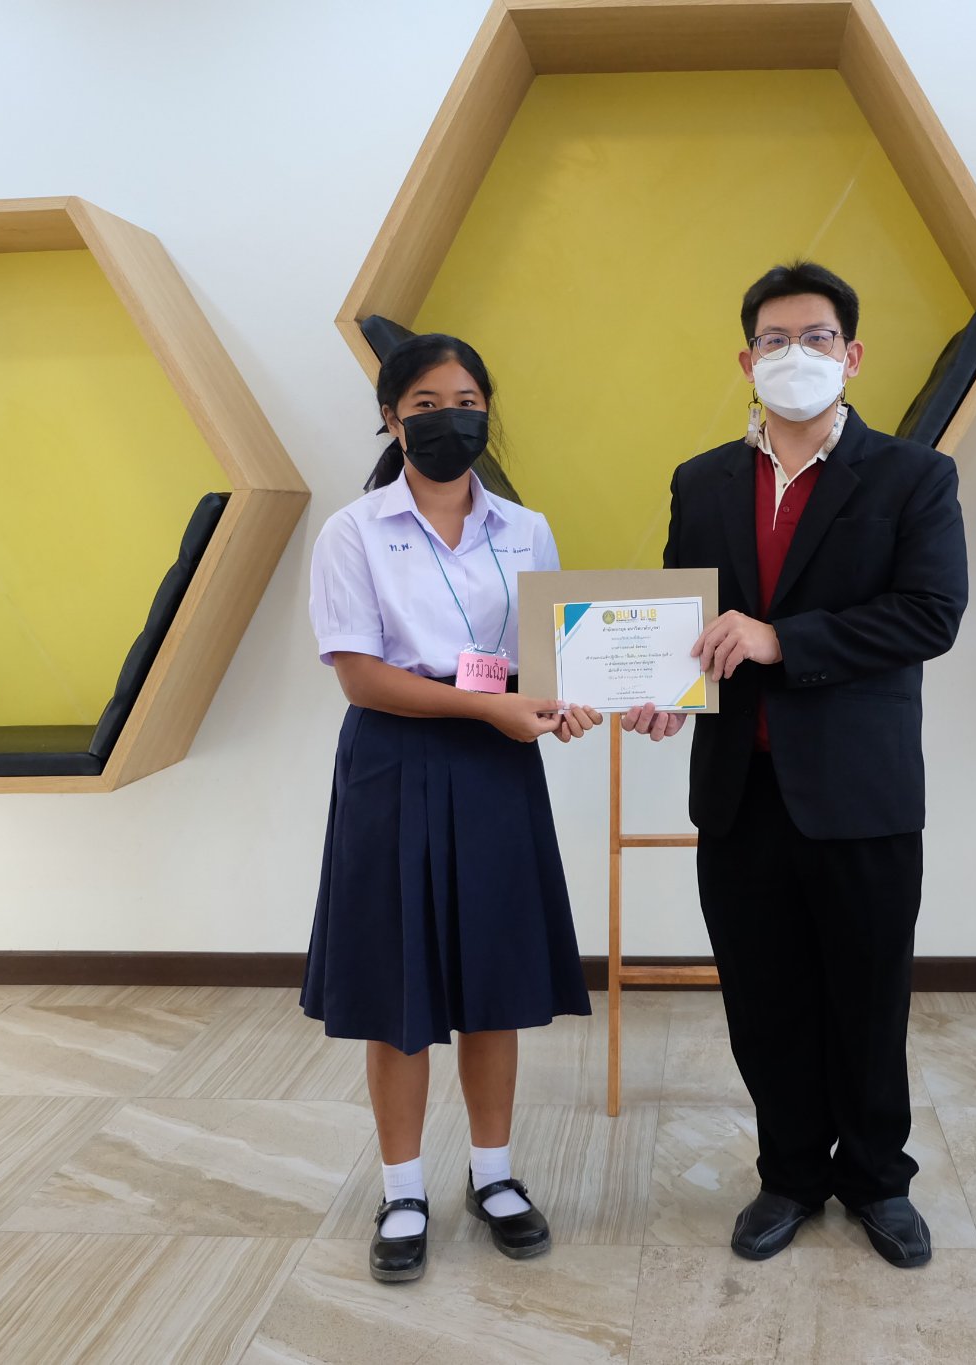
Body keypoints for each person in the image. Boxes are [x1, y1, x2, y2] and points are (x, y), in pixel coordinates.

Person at [625, 261, 968, 1269]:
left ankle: (877, 1180)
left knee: (867, 998)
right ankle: (787, 1175)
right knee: (762, 1000)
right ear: (747, 361)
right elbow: (689, 620)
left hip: (860, 794)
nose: (795, 355)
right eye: (773, 340)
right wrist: (663, 686)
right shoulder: (701, 481)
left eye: (816, 337)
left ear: (851, 355)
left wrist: (783, 639)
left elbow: (929, 615)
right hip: (739, 792)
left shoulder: (912, 476)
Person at [303, 332, 602, 1284]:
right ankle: (402, 1189)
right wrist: (494, 708)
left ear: (488, 412)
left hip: (497, 764)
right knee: (399, 990)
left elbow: (542, 659)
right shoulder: (353, 531)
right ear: (392, 420)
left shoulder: (527, 528)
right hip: (394, 761)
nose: (449, 419)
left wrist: (565, 701)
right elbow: (360, 675)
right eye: (425, 405)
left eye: (466, 401)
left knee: (493, 978)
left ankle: (494, 1175)